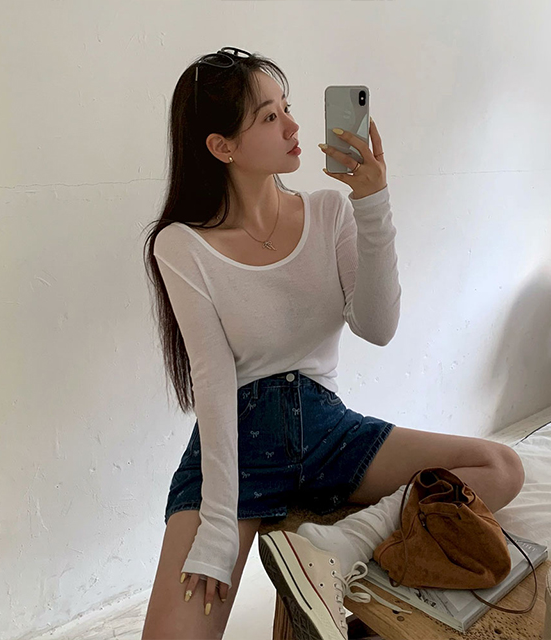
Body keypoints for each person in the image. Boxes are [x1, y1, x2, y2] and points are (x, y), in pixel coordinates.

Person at [141, 47, 400, 639]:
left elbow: (379, 327)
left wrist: (373, 204)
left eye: (287, 108)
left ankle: (333, 549)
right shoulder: (181, 245)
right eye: (269, 116)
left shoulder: (330, 211)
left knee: (498, 467)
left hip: (324, 424)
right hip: (239, 438)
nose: (293, 125)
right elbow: (212, 380)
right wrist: (217, 524)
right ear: (222, 147)